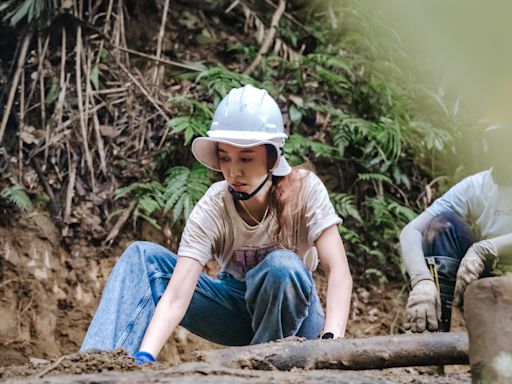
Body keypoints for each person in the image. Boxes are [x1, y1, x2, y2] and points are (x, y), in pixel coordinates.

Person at [81, 84, 353, 364]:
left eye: (246, 158)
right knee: (142, 257)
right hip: (235, 309)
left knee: (282, 267)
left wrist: (331, 341)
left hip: (298, 318)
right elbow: (176, 295)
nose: (234, 171)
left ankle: (260, 369)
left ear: (273, 158)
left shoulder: (305, 190)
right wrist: (144, 356)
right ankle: (94, 366)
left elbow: (338, 271)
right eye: (225, 158)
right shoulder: (213, 205)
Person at [400, 124, 512, 333]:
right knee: (442, 226)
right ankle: (432, 345)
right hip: (490, 280)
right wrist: (421, 281)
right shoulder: (477, 187)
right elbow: (411, 231)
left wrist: (486, 247)